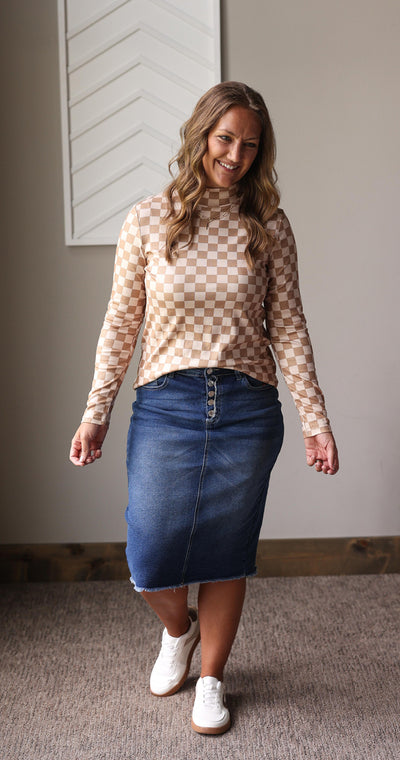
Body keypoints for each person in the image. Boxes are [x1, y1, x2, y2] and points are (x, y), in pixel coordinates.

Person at [69, 81, 339, 735]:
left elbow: (291, 328)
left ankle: (212, 681)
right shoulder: (146, 218)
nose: (235, 155)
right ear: (200, 136)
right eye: (225, 139)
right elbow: (119, 325)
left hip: (247, 405)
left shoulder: (268, 225)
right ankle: (179, 631)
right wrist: (94, 410)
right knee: (151, 555)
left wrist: (315, 418)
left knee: (226, 552)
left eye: (249, 145)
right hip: (166, 402)